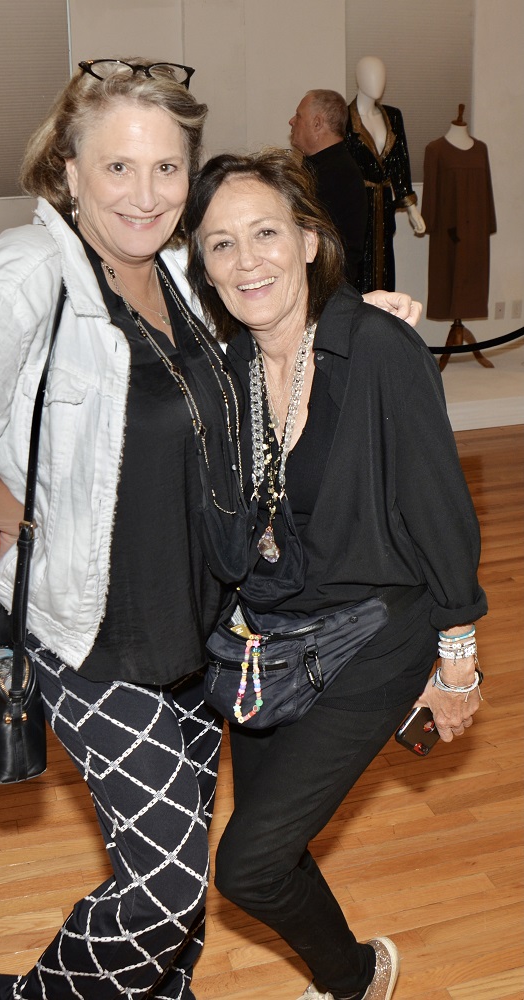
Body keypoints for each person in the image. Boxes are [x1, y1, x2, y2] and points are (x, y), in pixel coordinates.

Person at [0, 61, 419, 1000]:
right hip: (91, 637)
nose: (145, 197)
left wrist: (359, 324)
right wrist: (7, 505)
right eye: (118, 169)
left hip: (198, 630)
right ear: (67, 171)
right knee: (165, 884)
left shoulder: (181, 272)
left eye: (167, 170)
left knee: (171, 881)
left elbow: (267, 308)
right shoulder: (31, 275)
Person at [184, 148, 486, 1000]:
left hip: (374, 637)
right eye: (220, 245)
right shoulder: (226, 369)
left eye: (267, 233)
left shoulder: (378, 348)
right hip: (267, 641)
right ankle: (356, 976)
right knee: (275, 849)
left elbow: (440, 508)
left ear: (311, 241)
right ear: (202, 268)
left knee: (245, 864)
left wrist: (456, 662)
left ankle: (354, 978)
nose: (249, 262)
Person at [345, 56, 424, 293]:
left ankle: (382, 324)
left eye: (381, 75)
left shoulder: (393, 116)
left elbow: (401, 161)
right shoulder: (344, 120)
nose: (377, 80)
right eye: (371, 74)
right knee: (358, 271)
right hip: (355, 207)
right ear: (358, 78)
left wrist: (411, 208)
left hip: (384, 206)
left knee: (384, 270)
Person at [289, 89, 367, 287]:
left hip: (327, 289)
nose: (291, 121)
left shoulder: (338, 173)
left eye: (298, 116)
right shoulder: (317, 166)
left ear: (317, 123)